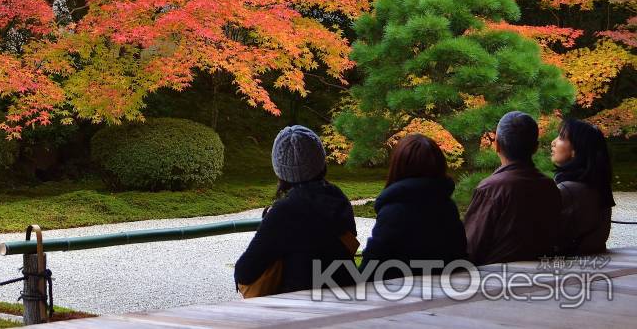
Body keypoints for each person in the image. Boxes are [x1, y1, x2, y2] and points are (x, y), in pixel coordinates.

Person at [234, 125, 358, 294]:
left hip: (301, 308)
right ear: (320, 161)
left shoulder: (285, 212)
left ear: (280, 170)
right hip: (346, 300)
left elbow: (244, 272)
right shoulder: (339, 200)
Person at [463, 111, 561, 265]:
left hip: (495, 280)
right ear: (535, 147)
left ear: (497, 145)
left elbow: (470, 248)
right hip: (543, 277)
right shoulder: (549, 186)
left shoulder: (491, 188)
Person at [360, 134, 467, 275]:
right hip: (447, 291)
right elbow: (459, 254)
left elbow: (371, 266)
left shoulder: (394, 212)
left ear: (398, 166)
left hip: (397, 292)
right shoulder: (448, 208)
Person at [551, 118, 615, 254]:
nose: (553, 142)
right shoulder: (598, 186)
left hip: (566, 267)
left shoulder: (567, 191)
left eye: (561, 137)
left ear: (576, 150)